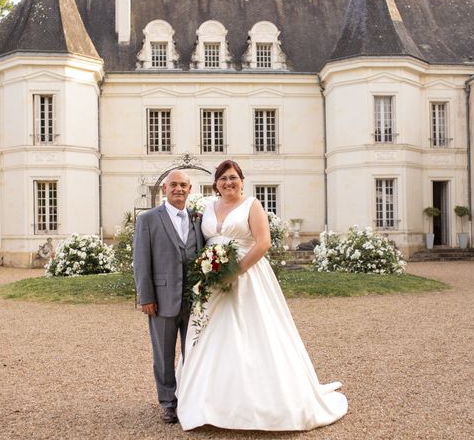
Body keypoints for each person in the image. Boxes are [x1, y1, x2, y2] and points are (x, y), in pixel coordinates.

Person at [176, 160, 348, 431]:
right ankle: (207, 404)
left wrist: (236, 272)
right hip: (211, 278)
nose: (228, 183)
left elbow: (263, 242)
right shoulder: (208, 207)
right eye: (223, 178)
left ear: (242, 181)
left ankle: (261, 404)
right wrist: (207, 269)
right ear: (216, 184)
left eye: (233, 178)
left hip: (248, 277)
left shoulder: (252, 205)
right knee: (209, 335)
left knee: (253, 332)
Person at [133, 170, 204, 424]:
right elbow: (141, 261)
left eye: (183, 185)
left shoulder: (198, 219)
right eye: (174, 185)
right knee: (163, 354)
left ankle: (190, 398)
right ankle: (168, 403)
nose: (179, 189)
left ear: (190, 188)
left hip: (193, 301)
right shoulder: (149, 219)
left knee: (194, 353)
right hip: (161, 300)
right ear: (165, 188)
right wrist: (146, 296)